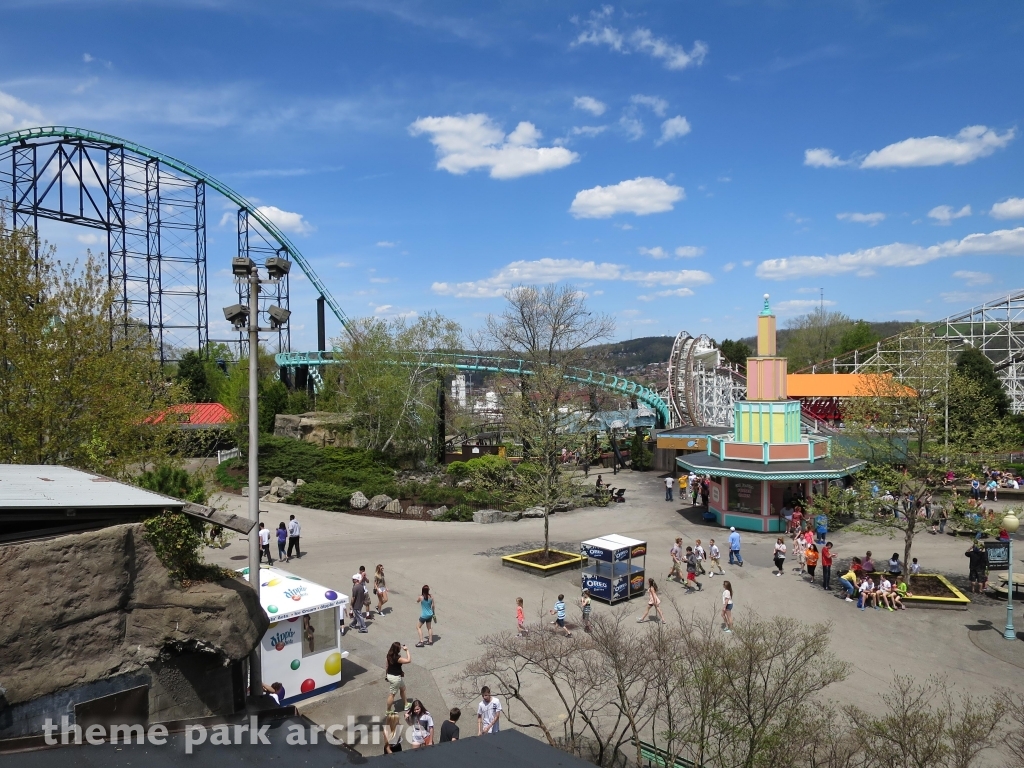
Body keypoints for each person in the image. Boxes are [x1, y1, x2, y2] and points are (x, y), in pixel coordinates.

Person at [385, 641, 411, 713]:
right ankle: (388, 710)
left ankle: (406, 704)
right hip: (395, 678)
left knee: (403, 688)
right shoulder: (398, 658)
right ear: (397, 649)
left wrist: (386, 675)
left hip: (391, 675)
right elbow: (408, 660)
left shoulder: (389, 655)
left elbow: (387, 666)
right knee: (392, 694)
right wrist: (407, 650)